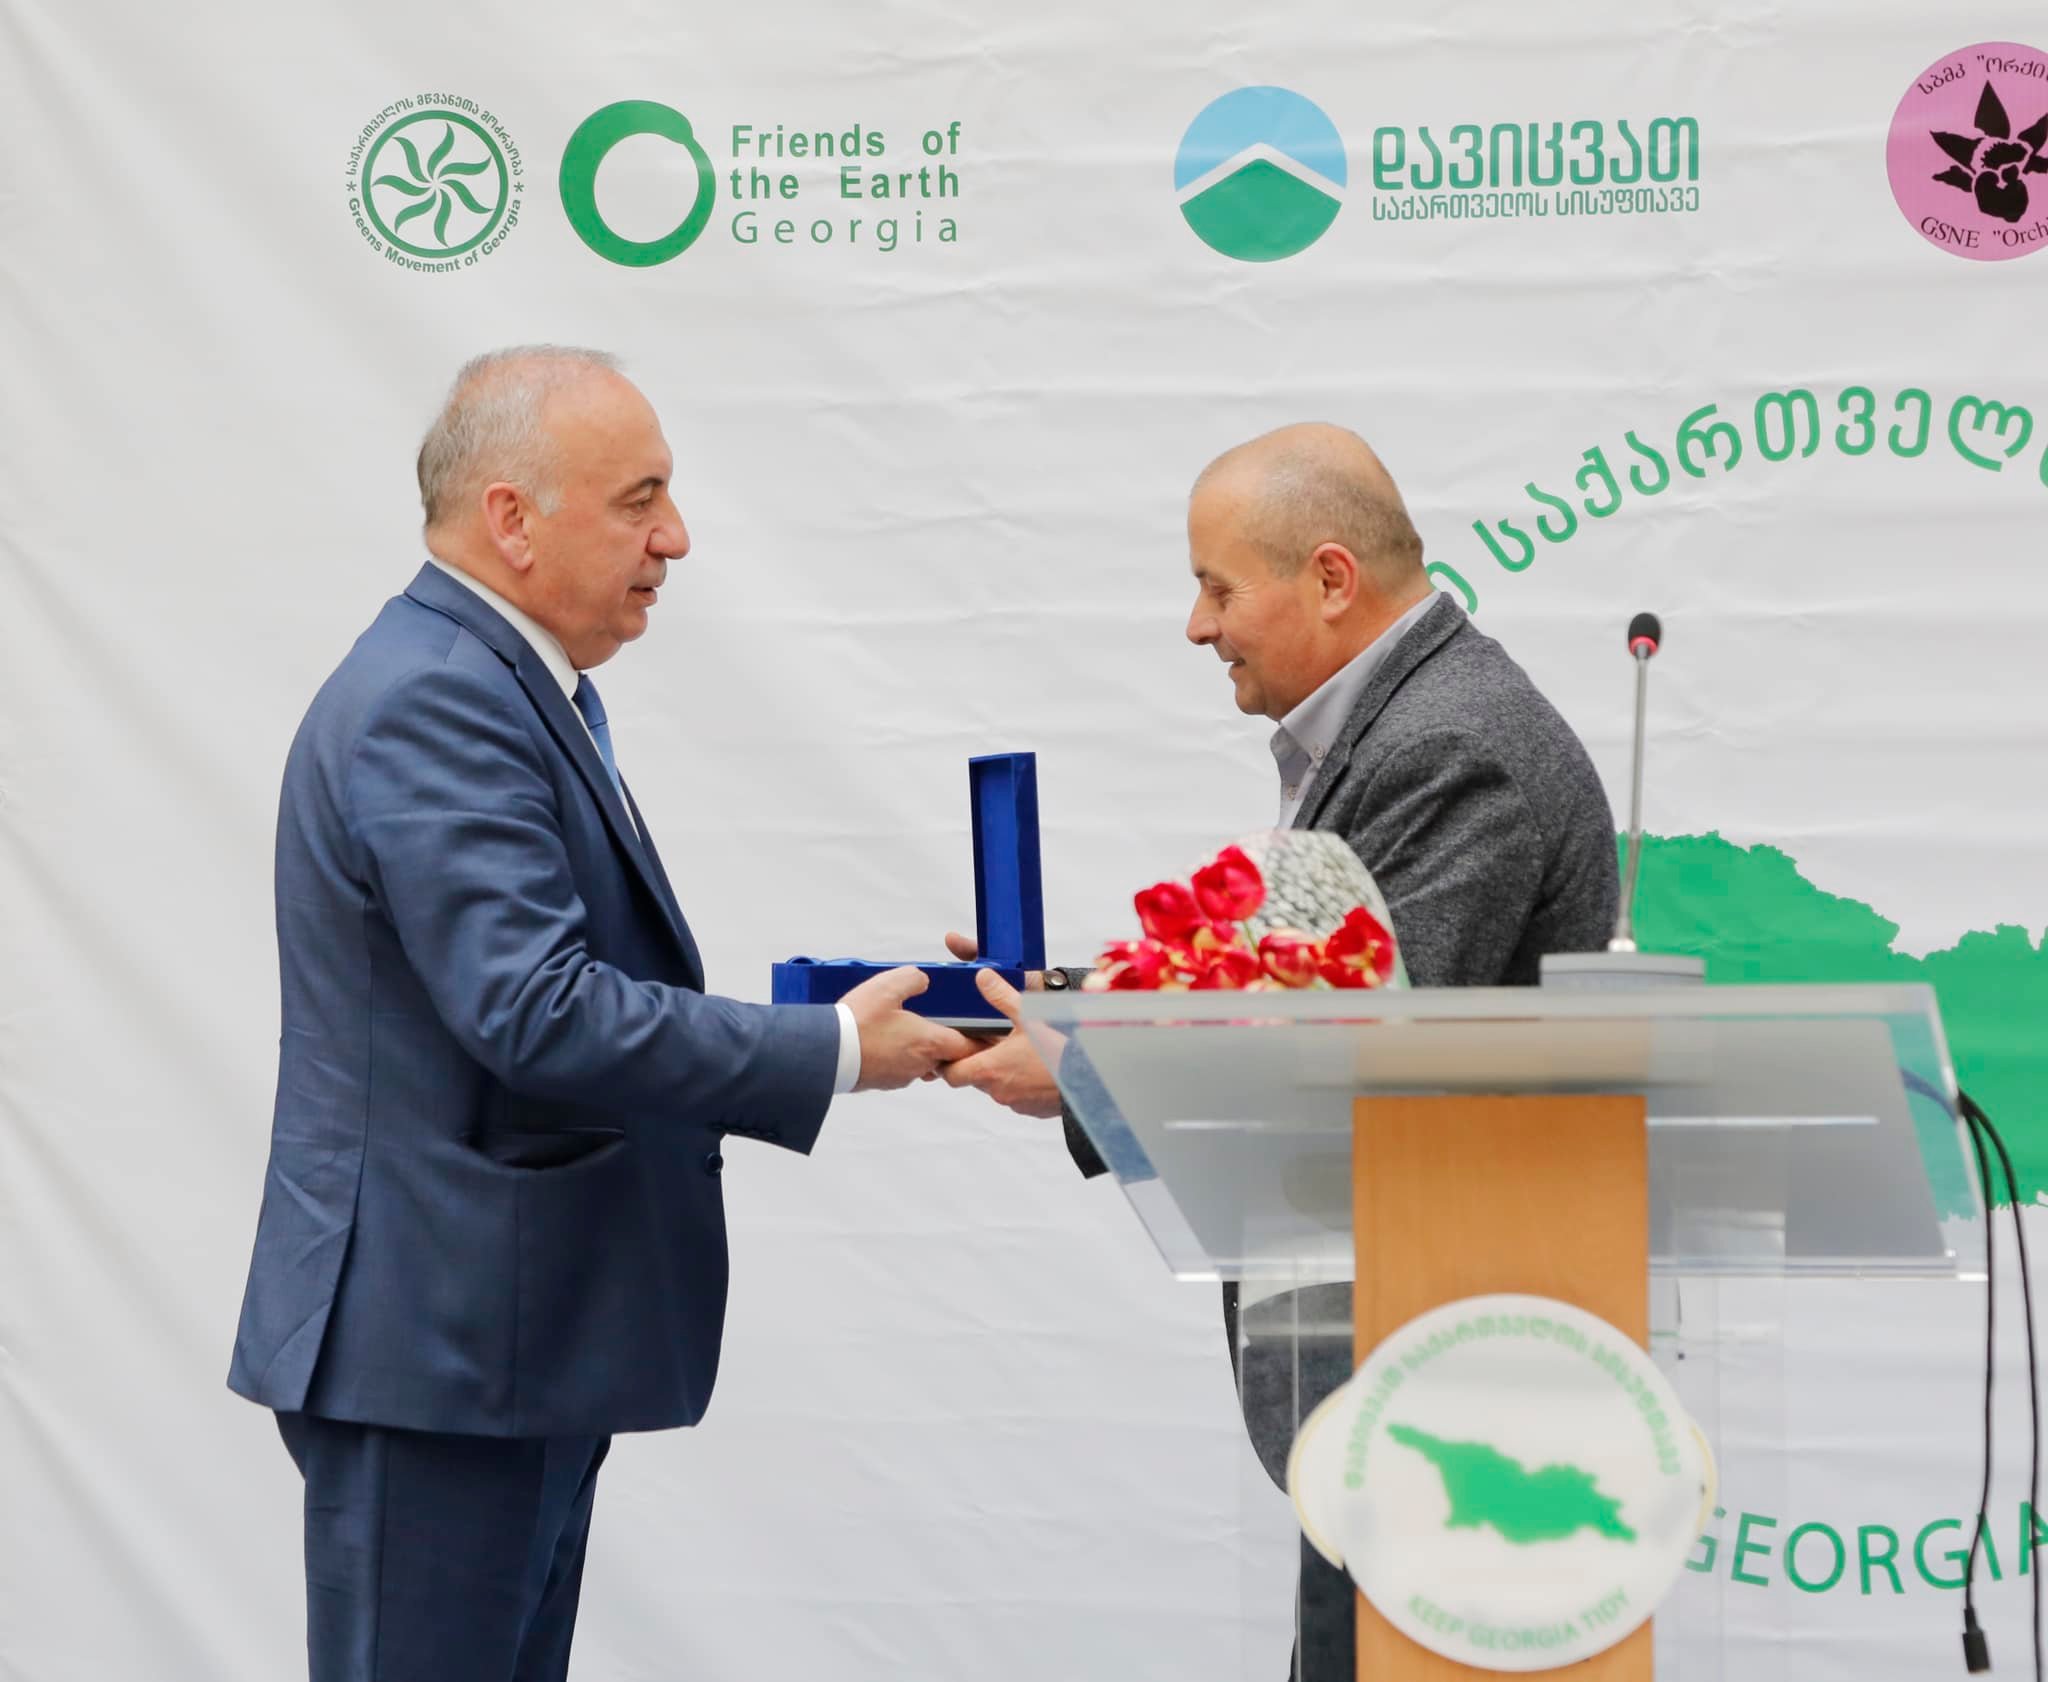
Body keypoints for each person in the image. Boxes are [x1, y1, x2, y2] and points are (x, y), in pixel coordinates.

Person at [227, 346, 972, 1682]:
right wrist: (831, 1049)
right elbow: (535, 1006)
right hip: (440, 1350)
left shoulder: (494, 680)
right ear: (511, 519)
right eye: (640, 499)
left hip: (490, 1346)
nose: (674, 537)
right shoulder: (438, 695)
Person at [942, 422, 1618, 1678]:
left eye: (1215, 588)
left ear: (1328, 578)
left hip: (1452, 1400)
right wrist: (1077, 999)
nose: (1195, 626)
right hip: (1410, 1392)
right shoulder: (1412, 722)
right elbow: (1301, 988)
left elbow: (1356, 1055)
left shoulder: (1449, 745)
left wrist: (1084, 1066)